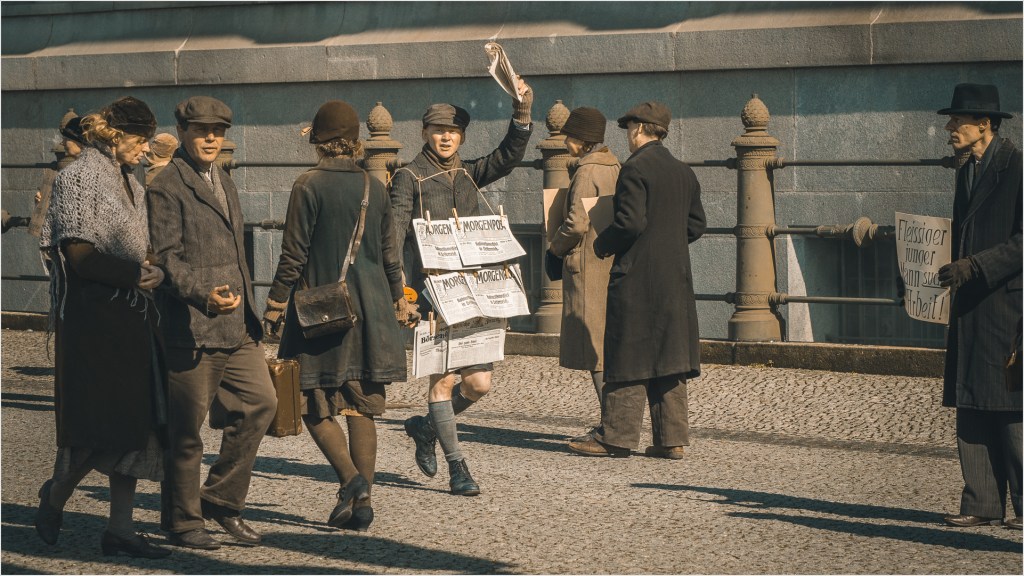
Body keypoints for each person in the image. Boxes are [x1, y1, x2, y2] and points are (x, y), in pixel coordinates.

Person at [263, 100, 419, 532]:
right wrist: (398, 299)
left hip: (321, 310)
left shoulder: (307, 185)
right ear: (354, 143)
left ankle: (352, 482)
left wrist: (275, 304)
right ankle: (362, 500)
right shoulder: (375, 186)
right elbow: (391, 256)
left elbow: (292, 256)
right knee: (361, 407)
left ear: (318, 142)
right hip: (370, 311)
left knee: (312, 405)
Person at [34, 96, 171, 559]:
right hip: (93, 325)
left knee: (134, 427)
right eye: (140, 141)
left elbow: (138, 249)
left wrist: (153, 271)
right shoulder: (78, 179)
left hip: (131, 318)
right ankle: (54, 496)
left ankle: (121, 529)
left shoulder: (128, 180)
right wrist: (136, 275)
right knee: (94, 430)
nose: (146, 149)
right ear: (115, 138)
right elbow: (79, 254)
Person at [391, 77, 534, 495]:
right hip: (431, 298)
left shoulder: (470, 175)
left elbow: (508, 156)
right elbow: (393, 234)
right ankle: (459, 468)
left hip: (475, 294)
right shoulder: (408, 177)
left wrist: (521, 112)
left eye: (453, 131)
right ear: (425, 134)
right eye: (439, 130)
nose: (446, 136)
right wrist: (399, 289)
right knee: (442, 381)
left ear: (462, 136)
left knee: (478, 384)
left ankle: (426, 427)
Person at [147, 96, 277, 550]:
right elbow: (165, 258)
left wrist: (250, 313)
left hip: (237, 325)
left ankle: (220, 502)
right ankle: (183, 523)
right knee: (186, 433)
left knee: (260, 404)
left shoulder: (223, 179)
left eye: (218, 132)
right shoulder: (167, 184)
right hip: (192, 328)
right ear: (182, 131)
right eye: (202, 130)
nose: (210, 138)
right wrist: (203, 295)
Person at [568, 101, 706, 459]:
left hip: (636, 276)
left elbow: (630, 222)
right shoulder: (683, 171)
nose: (627, 135)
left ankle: (615, 437)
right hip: (675, 277)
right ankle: (670, 440)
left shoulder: (635, 169)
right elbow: (696, 225)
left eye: (629, 128)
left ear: (640, 129)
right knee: (670, 358)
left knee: (628, 353)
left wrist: (603, 243)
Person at [935, 83, 1022, 530]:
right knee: (970, 402)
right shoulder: (966, 170)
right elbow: (955, 235)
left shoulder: (1017, 167)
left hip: (1006, 305)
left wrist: (974, 266)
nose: (949, 128)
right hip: (971, 303)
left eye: (957, 120)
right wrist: (919, 276)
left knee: (1010, 405)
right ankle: (982, 502)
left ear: (984, 125)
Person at [545, 107, 619, 441]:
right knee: (606, 344)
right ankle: (615, 422)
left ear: (579, 139)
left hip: (586, 264)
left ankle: (610, 424)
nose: (565, 142)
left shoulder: (587, 171)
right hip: (609, 260)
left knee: (594, 349)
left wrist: (555, 247)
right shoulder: (614, 164)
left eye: (569, 136)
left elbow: (576, 222)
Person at [28, 109, 87, 238]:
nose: (63, 143)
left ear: (78, 141)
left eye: (67, 138)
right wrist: (41, 200)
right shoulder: (57, 171)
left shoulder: (89, 170)